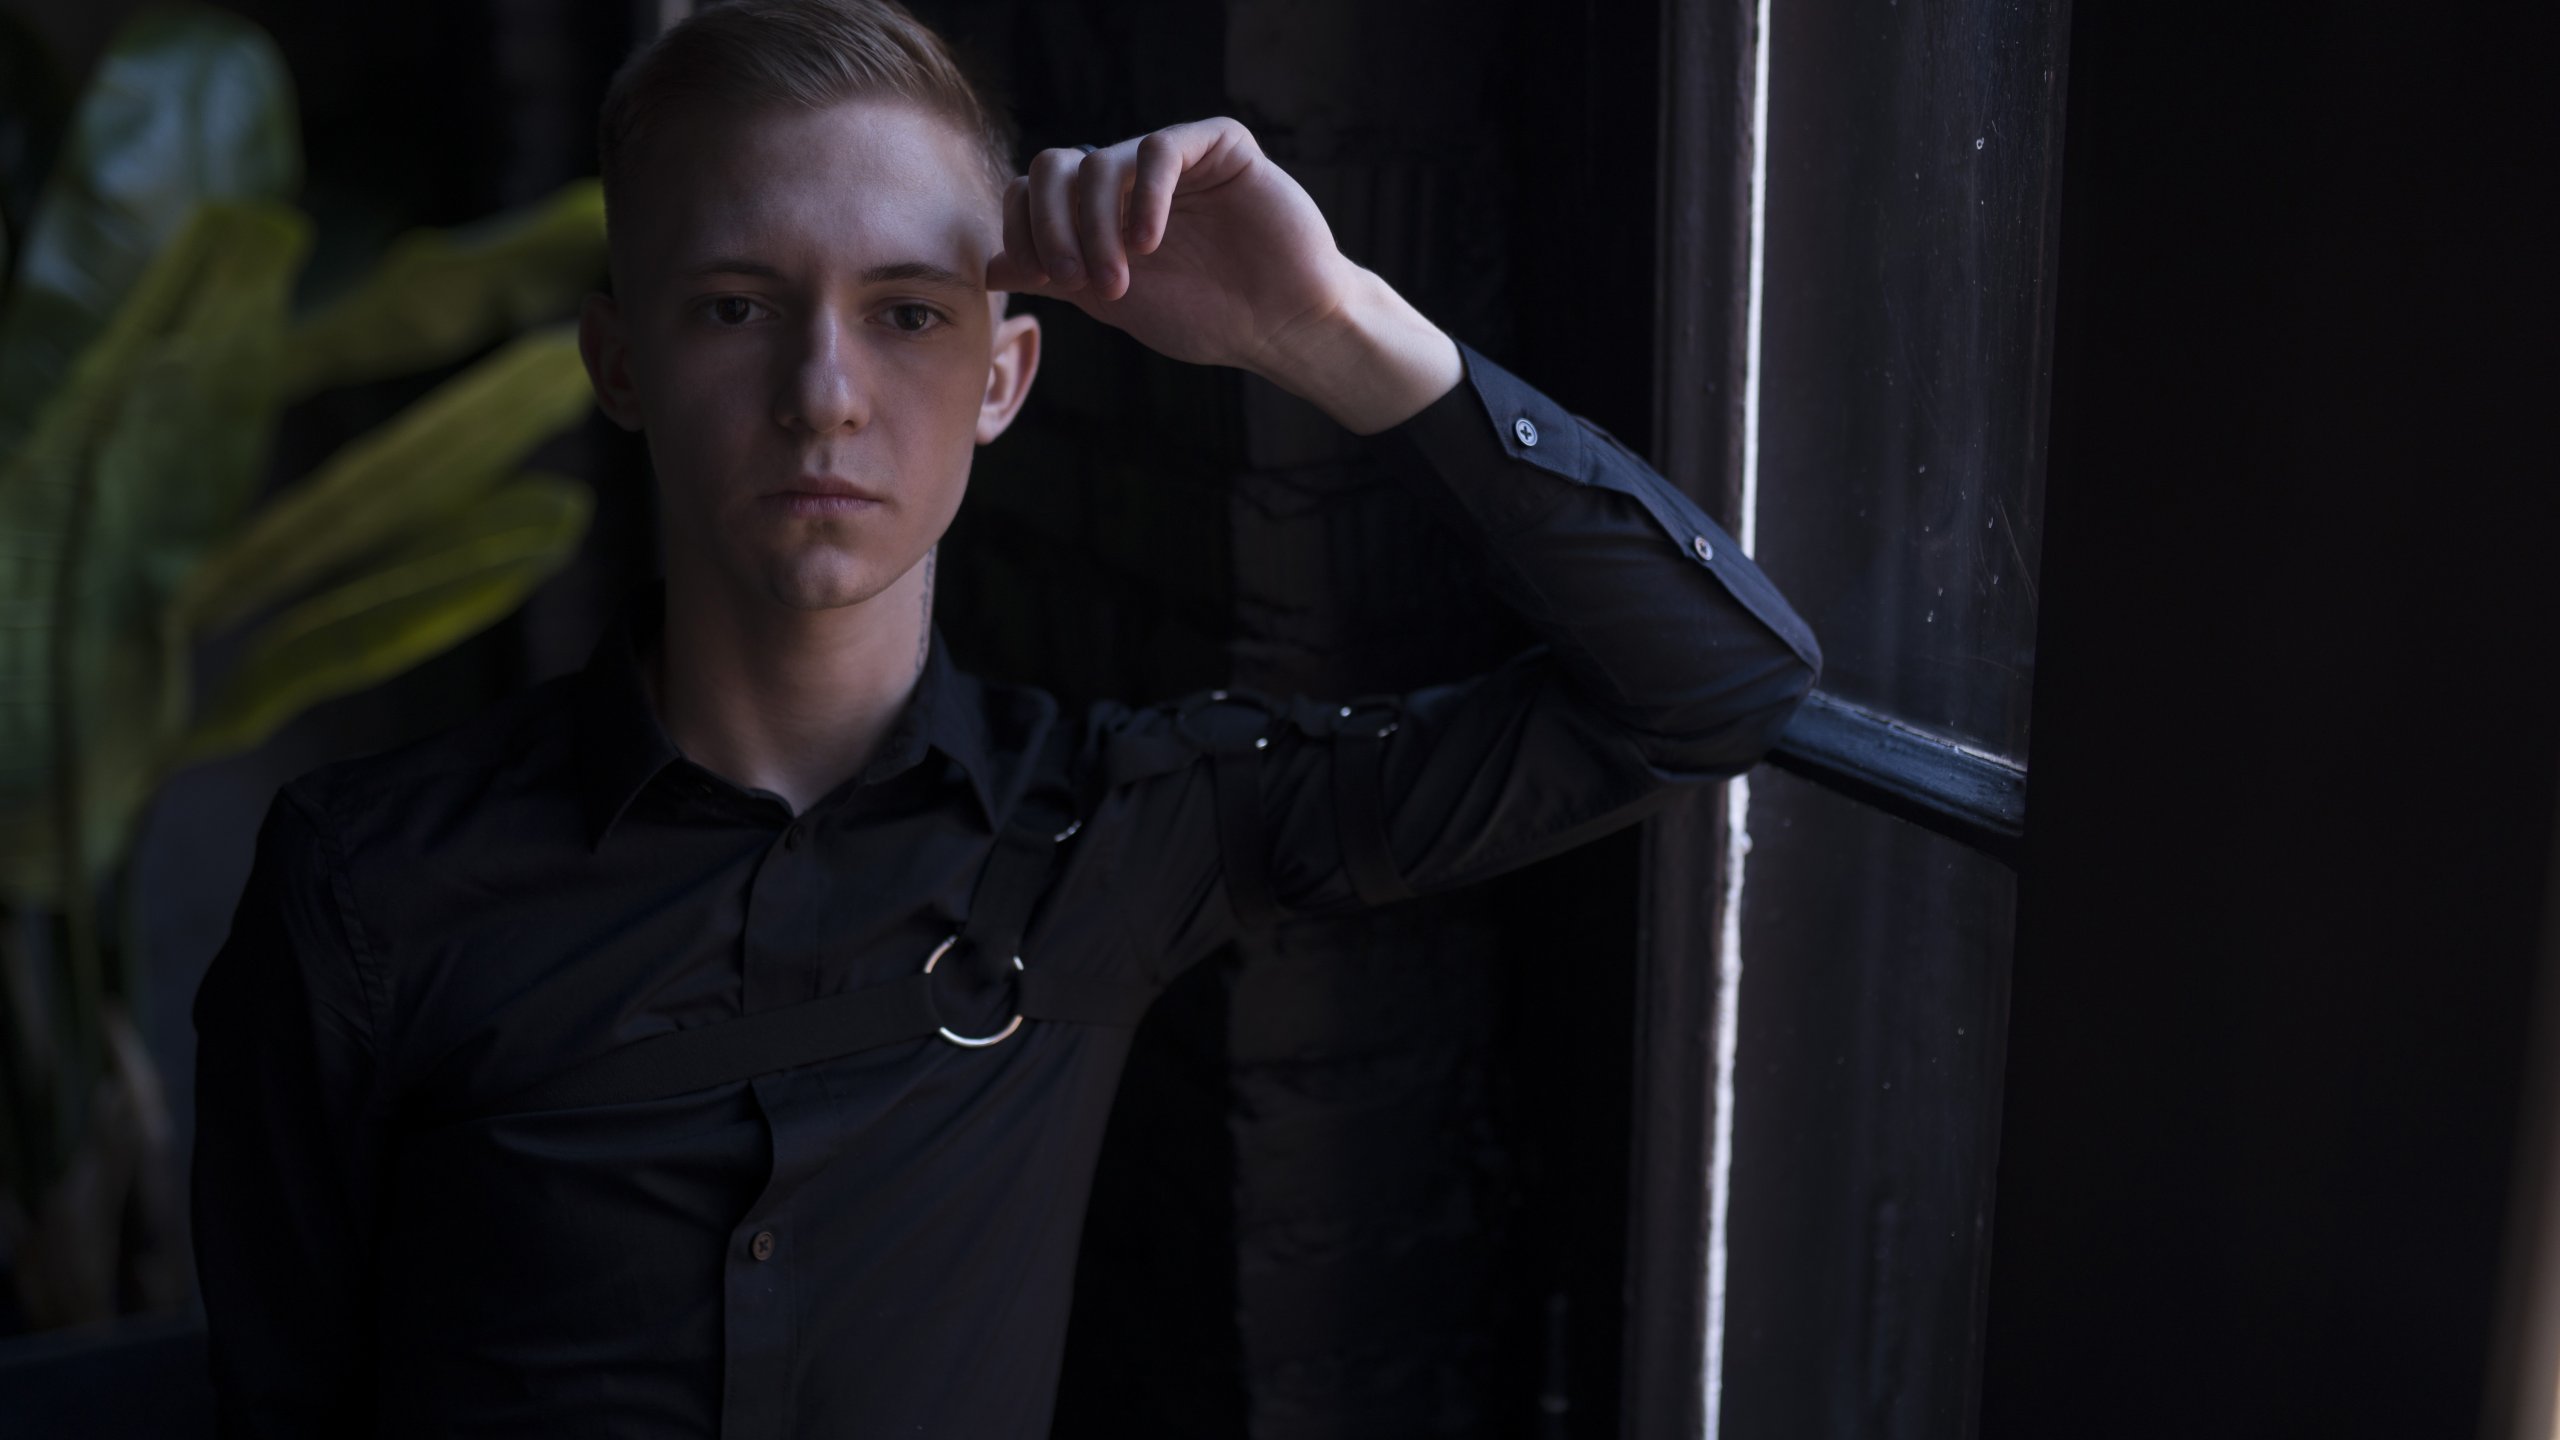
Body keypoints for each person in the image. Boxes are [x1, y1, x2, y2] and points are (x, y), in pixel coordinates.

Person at [187, 0, 1821, 1433]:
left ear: (1003, 379)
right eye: (735, 306)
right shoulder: (370, 886)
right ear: (619, 361)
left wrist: (1328, 330)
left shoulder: (1110, 835)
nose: (823, 394)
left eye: (908, 312)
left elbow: (1711, 689)